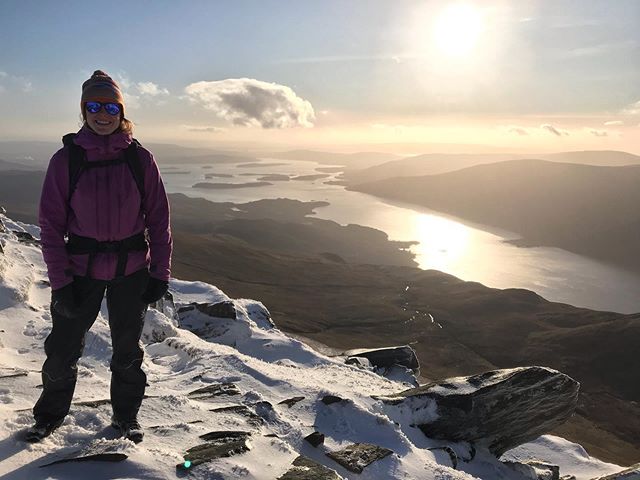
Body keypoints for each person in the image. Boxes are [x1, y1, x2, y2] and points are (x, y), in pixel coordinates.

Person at [26, 70, 172, 443]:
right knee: (62, 349)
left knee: (127, 351)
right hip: (80, 271)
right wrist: (60, 283)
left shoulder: (140, 159)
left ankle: (126, 417)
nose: (102, 114)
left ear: (121, 112)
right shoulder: (66, 160)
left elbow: (158, 219)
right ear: (83, 110)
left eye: (110, 107)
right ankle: (48, 417)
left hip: (132, 271)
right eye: (93, 106)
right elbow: (50, 223)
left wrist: (160, 272)